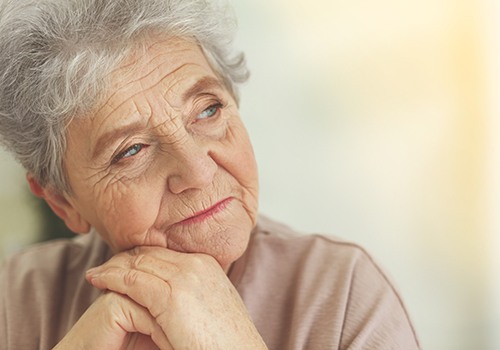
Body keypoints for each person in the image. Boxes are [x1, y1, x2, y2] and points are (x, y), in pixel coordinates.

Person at [0, 0, 421, 349]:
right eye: (131, 151)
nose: (198, 171)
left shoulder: (343, 294)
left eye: (208, 110)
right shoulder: (15, 302)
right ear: (62, 201)